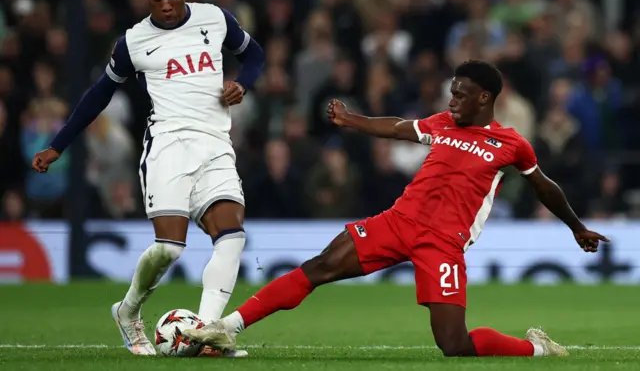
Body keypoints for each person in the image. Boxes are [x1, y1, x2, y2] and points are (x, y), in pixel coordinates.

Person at [183, 60, 609, 357]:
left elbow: (544, 185)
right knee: (322, 265)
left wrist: (576, 226)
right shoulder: (442, 124)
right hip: (399, 221)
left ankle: (536, 348)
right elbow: (399, 128)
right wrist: (353, 121)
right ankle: (227, 328)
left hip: (444, 244)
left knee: (453, 345)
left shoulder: (511, 143)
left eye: (460, 95)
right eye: (451, 93)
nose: (452, 100)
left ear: (484, 97)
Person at [30, 0, 264, 358]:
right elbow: (98, 95)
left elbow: (255, 55)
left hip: (215, 145)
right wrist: (59, 143)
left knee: (232, 238)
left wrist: (242, 83)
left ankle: (205, 334)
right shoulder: (133, 42)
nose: (167, 4)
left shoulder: (214, 19)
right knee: (171, 248)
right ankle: (128, 310)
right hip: (168, 147)